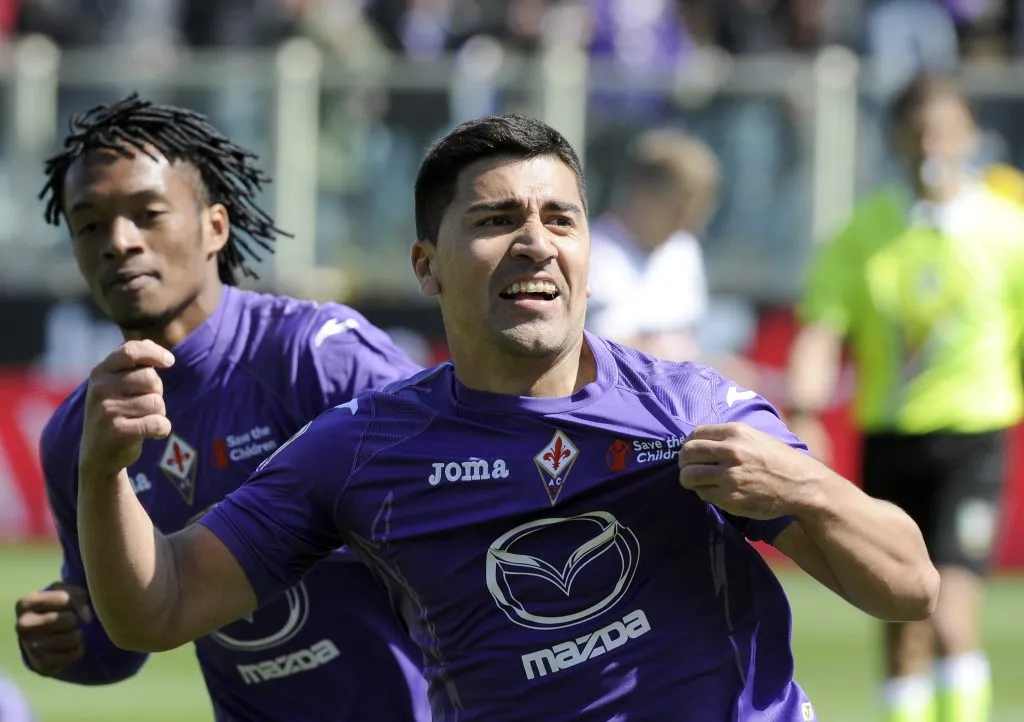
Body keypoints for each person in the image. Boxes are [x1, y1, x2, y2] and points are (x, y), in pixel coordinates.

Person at [74, 113, 938, 721]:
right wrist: (104, 471)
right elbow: (160, 607)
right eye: (496, 220)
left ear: (587, 254)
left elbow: (907, 586)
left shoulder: (686, 407)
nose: (536, 242)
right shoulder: (360, 449)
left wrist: (809, 487)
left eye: (560, 219)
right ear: (427, 266)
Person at [13, 94, 429, 722]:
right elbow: (124, 634)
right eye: (90, 224)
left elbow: (461, 512)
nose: (119, 242)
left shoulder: (315, 356)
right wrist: (68, 638)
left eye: (148, 214)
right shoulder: (81, 432)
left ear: (215, 226)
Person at [788, 73, 1024, 722]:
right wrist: (805, 411)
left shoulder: (1007, 230)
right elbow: (822, 327)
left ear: (971, 136)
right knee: (900, 624)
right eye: (918, 132)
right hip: (891, 439)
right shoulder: (866, 230)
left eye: (945, 131)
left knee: (949, 614)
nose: (931, 145)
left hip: (973, 438)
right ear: (896, 138)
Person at [586, 128, 757, 386]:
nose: (691, 226)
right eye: (679, 212)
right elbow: (606, 354)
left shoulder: (683, 249)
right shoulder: (595, 254)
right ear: (643, 198)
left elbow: (691, 342)